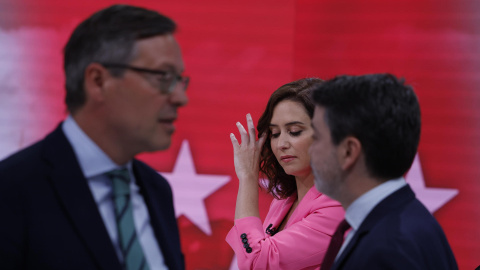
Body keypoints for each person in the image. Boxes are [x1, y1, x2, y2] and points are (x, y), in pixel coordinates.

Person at [0, 4, 188, 270]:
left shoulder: (157, 190)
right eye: (163, 77)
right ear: (98, 81)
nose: (181, 98)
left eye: (180, 80)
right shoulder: (12, 191)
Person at [309, 74, 458, 270]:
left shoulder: (390, 249)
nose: (310, 149)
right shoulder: (407, 222)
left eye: (316, 137)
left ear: (349, 151)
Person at [226, 78, 345, 270]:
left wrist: (248, 178)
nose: (281, 144)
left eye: (294, 131)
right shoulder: (285, 199)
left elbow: (257, 263)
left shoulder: (338, 205)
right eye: (274, 133)